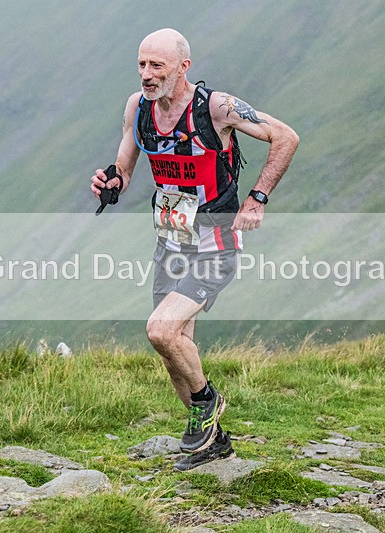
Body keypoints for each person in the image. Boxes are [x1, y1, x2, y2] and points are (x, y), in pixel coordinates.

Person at [91, 28, 298, 470]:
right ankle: (213, 443)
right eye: (142, 64)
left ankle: (208, 403)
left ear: (183, 67)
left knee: (160, 330)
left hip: (215, 240)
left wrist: (257, 198)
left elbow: (286, 137)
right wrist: (110, 182)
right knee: (174, 349)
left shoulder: (215, 107)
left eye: (157, 66)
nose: (147, 75)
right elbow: (125, 168)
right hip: (171, 239)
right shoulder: (138, 108)